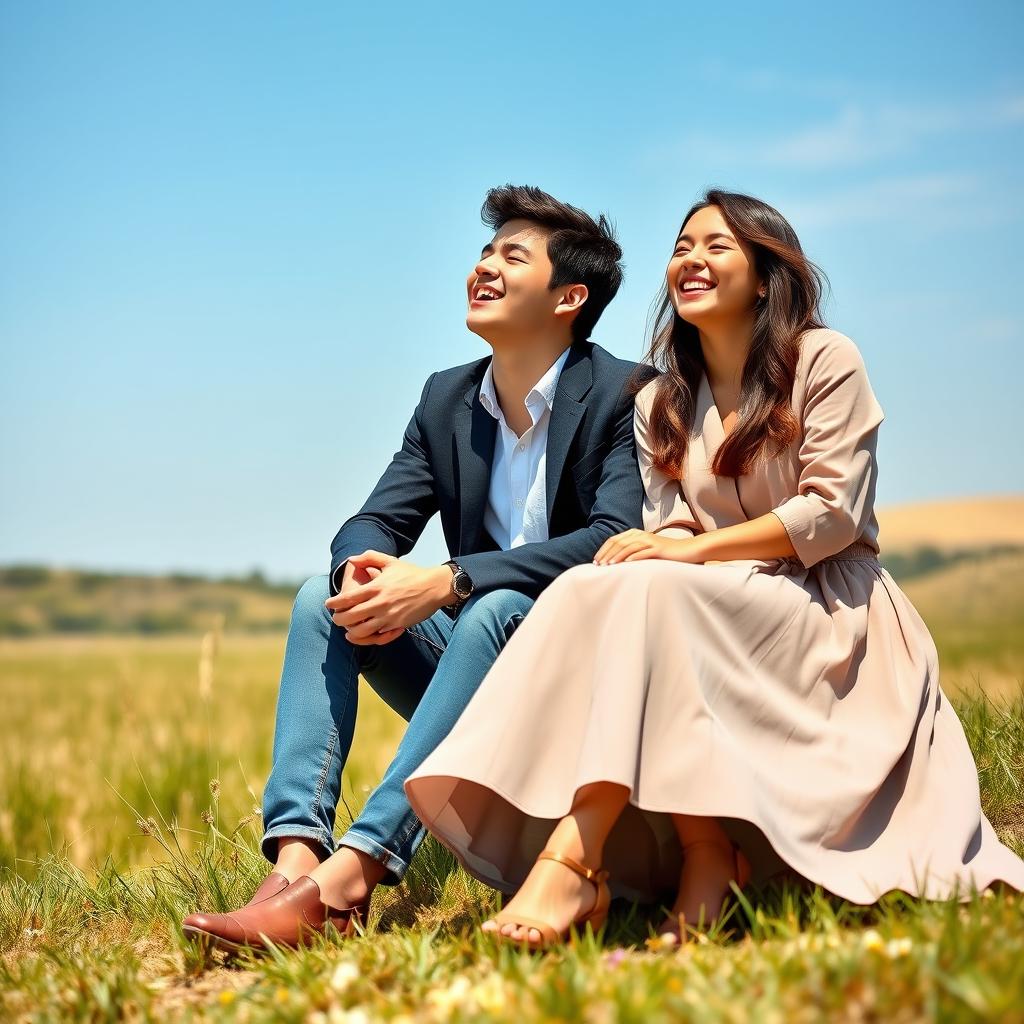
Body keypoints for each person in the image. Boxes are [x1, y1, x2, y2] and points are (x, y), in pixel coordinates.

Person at [404, 189, 1024, 948]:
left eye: (716, 247)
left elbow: (829, 514)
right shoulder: (661, 397)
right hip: (714, 604)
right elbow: (663, 533)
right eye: (682, 246)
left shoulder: (824, 359)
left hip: (831, 610)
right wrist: (673, 552)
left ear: (765, 275)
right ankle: (701, 856)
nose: (691, 260)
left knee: (651, 592)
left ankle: (576, 857)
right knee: (604, 586)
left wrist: (694, 550)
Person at [182, 185, 648, 952]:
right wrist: (358, 570)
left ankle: (355, 875)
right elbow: (374, 518)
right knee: (317, 600)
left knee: (492, 610)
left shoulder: (623, 392)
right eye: (485, 252)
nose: (484, 268)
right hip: (470, 678)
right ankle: (294, 869)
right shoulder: (448, 399)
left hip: (572, 687)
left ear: (571, 296)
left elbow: (610, 538)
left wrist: (450, 578)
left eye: (512, 256)